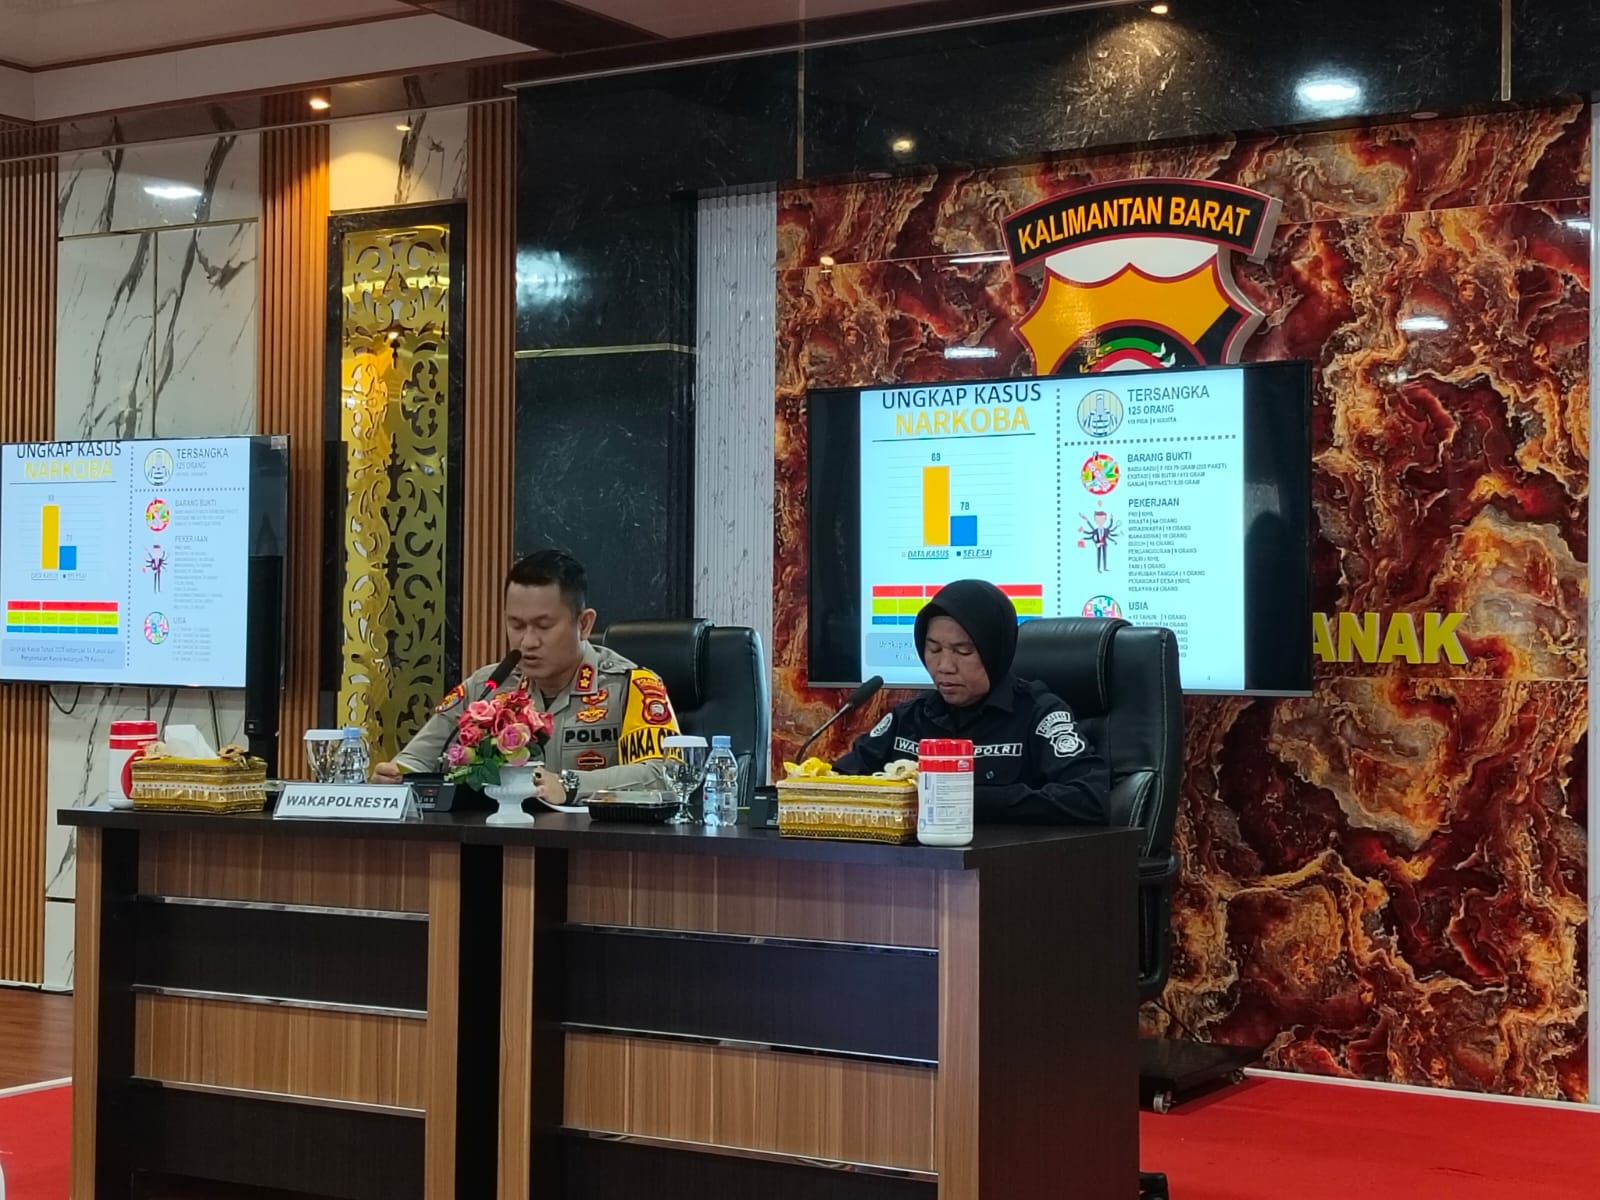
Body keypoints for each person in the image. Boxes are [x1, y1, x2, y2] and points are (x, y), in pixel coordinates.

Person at [374, 549, 678, 804]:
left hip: (598, 849)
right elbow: (415, 760)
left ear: (584, 624)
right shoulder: (487, 687)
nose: (528, 642)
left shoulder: (630, 687)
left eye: (544, 626)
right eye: (516, 625)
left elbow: (666, 775)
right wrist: (394, 776)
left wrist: (570, 784)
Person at [834, 579, 1108, 824]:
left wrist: (969, 799)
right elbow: (839, 782)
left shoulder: (1039, 714)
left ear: (994, 652)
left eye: (962, 651)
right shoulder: (908, 718)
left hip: (1004, 860)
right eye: (934, 649)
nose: (945, 666)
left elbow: (1091, 798)